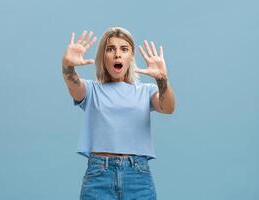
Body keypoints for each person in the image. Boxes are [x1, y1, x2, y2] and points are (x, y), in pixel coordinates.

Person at [61, 27, 175, 200]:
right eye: (110, 49)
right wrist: (67, 66)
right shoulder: (91, 90)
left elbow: (168, 108)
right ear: (103, 56)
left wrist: (162, 79)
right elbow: (73, 86)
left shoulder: (146, 91)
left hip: (138, 176)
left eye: (124, 49)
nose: (117, 54)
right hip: (99, 175)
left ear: (131, 56)